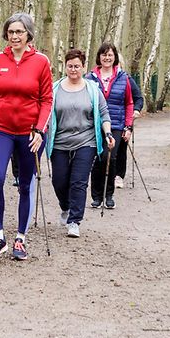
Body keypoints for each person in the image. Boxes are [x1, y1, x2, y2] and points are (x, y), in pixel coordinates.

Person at [0, 12, 53, 262]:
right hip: (1, 129)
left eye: (19, 31)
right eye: (11, 32)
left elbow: (47, 100)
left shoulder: (41, 61)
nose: (14, 36)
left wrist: (40, 130)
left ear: (28, 34)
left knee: (24, 185)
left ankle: (20, 238)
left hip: (30, 133)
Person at [45, 49, 113, 238]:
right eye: (70, 66)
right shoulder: (55, 88)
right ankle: (65, 207)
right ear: (65, 67)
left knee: (78, 182)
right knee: (59, 181)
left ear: (83, 67)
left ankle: (74, 220)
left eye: (77, 66)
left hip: (86, 141)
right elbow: (46, 114)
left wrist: (107, 133)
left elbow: (104, 113)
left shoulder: (92, 88)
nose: (73, 69)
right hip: (59, 142)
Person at [86, 42, 145, 210]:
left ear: (115, 57)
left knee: (109, 157)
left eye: (110, 55)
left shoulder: (123, 77)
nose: (107, 58)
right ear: (99, 57)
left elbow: (130, 103)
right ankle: (96, 196)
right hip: (94, 125)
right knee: (97, 158)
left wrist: (128, 126)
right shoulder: (90, 78)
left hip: (117, 125)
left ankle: (109, 195)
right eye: (104, 55)